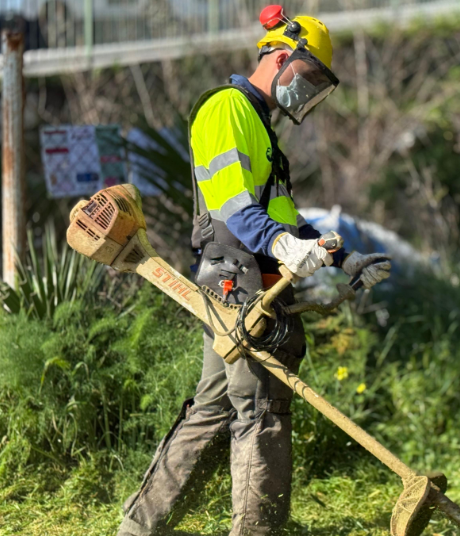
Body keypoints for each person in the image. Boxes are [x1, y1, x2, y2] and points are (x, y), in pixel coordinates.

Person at [117, 7, 391, 536]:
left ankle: (139, 528)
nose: (307, 91)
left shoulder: (262, 129)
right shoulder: (227, 109)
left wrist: (343, 258)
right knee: (261, 408)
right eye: (308, 76)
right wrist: (281, 243)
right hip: (236, 281)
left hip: (247, 278)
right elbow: (236, 208)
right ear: (281, 57)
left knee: (214, 409)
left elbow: (284, 219)